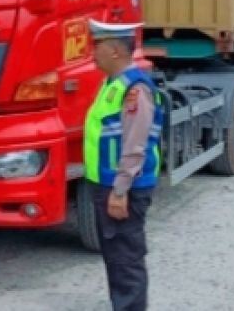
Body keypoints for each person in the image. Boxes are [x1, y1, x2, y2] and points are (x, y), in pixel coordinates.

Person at [83, 20, 164, 311]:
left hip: (124, 188)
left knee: (126, 260)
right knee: (116, 258)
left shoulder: (134, 89)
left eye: (97, 46)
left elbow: (135, 143)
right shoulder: (113, 84)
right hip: (109, 184)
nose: (93, 53)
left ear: (115, 50)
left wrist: (120, 191)